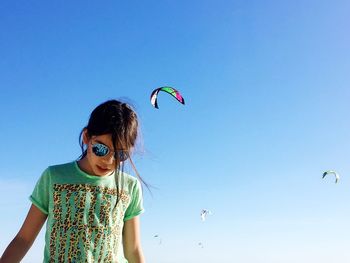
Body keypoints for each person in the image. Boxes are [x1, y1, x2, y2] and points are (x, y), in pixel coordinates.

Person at [0, 99, 147, 263]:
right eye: (101, 149)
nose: (108, 160)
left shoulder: (130, 186)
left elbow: (133, 249)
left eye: (121, 154)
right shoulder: (54, 177)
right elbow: (23, 239)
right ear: (86, 137)